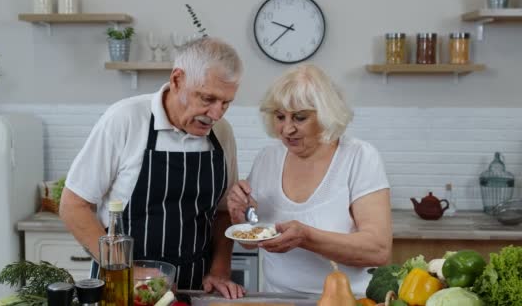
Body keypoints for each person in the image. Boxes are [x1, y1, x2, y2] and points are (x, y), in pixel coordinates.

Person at [60, 37, 245, 299]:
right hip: (124, 287)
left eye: (226, 103)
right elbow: (72, 205)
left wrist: (220, 269)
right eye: (207, 98)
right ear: (177, 80)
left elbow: (223, 212)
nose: (216, 114)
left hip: (195, 288)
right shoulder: (125, 119)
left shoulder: (222, 134)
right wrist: (126, 270)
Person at [227, 64, 392, 295]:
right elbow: (251, 238)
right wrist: (242, 216)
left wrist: (306, 238)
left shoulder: (359, 157)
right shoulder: (267, 158)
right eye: (280, 117)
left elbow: (378, 250)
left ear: (326, 115)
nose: (287, 129)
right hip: (278, 299)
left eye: (300, 118)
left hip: (348, 300)